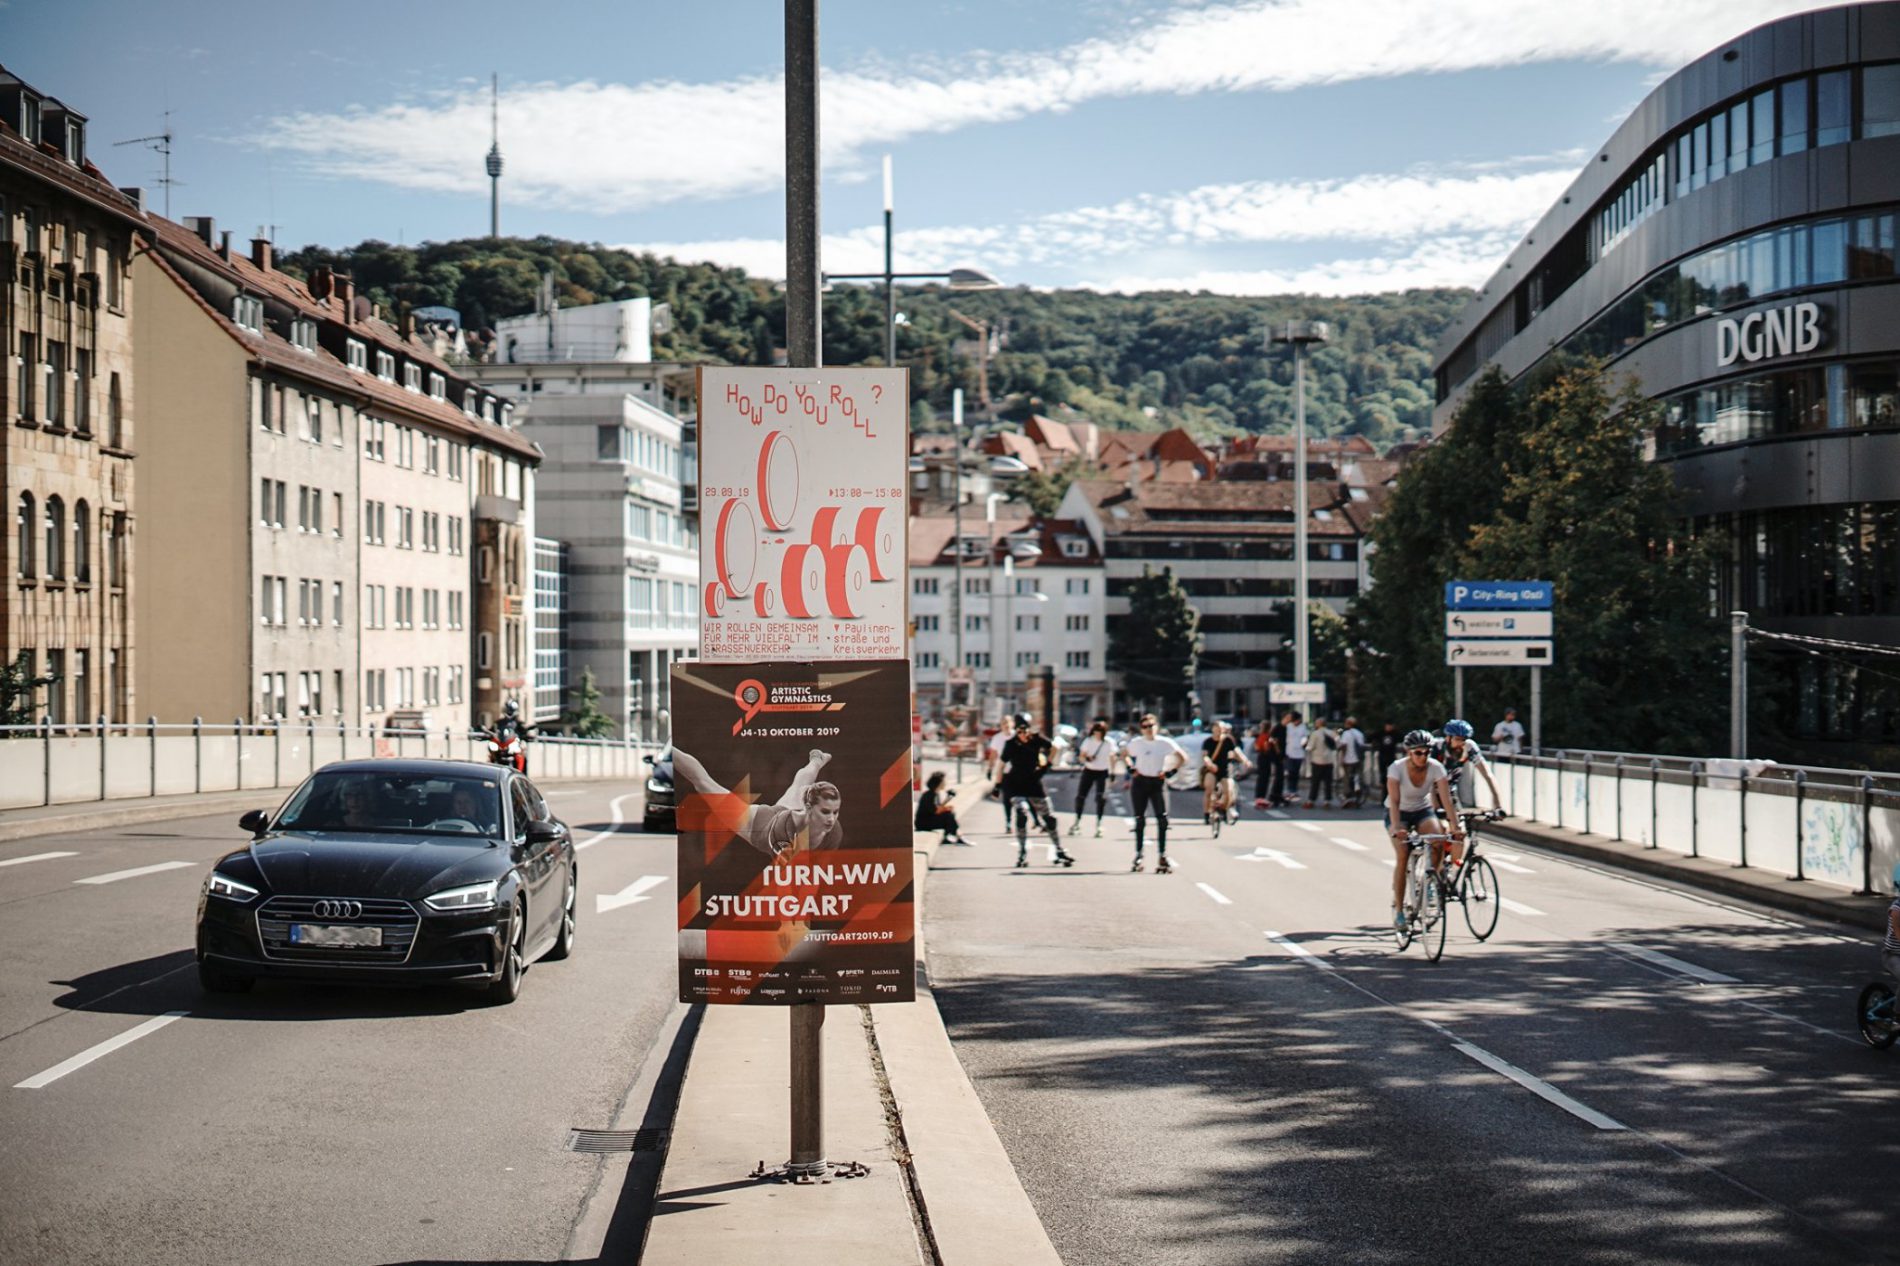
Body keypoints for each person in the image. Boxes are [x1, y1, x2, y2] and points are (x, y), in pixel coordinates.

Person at [672, 746, 843, 855]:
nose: (831, 818)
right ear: (809, 808)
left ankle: (816, 761)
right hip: (757, 824)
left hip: (786, 813)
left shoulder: (834, 831)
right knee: (704, 784)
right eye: (826, 812)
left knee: (800, 783)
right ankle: (669, 750)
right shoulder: (782, 831)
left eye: (835, 812)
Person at [1385, 729, 1464, 932]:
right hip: (1399, 813)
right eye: (1418, 753)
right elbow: (1393, 801)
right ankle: (1401, 912)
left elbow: (1446, 800)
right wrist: (1396, 827)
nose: (1423, 757)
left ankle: (1429, 880)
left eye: (1426, 752)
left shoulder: (1436, 768)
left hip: (1422, 810)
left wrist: (1455, 827)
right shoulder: (1396, 768)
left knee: (1438, 840)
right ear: (1409, 752)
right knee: (1403, 854)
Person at [999, 715, 1074, 868]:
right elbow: (1001, 764)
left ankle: (1059, 849)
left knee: (1050, 818)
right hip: (1016, 784)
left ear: (1028, 731)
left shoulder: (1036, 738)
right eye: (1019, 732)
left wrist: (1047, 765)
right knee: (1021, 815)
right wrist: (997, 784)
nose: (1022, 736)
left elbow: (1055, 747)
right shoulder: (1011, 744)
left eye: (1024, 732)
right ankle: (1022, 852)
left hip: (1034, 782)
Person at [1124, 713, 1186, 873]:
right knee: (1139, 819)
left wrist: (1170, 772)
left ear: (1156, 726)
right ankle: (1139, 854)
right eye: (1145, 727)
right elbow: (1124, 754)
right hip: (1140, 782)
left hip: (1157, 782)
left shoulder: (1164, 743)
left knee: (1163, 819)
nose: (1148, 730)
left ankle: (1162, 854)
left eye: (1151, 726)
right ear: (1141, 729)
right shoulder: (1136, 743)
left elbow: (1183, 757)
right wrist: (1131, 768)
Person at [1434, 719, 1504, 813]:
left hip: (1450, 792)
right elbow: (1428, 781)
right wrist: (1436, 807)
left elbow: (1488, 776)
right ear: (1448, 738)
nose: (1461, 743)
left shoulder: (1469, 747)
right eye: (1457, 739)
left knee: (1459, 825)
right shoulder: (1436, 747)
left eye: (1464, 739)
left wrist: (1498, 806)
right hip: (1428, 793)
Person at [1070, 718, 1119, 838]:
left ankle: (1099, 824)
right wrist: (1087, 759)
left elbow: (1113, 757)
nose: (1098, 733)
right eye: (1096, 731)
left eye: (1100, 731)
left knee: (1101, 798)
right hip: (1089, 770)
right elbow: (1081, 757)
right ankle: (1077, 821)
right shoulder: (1088, 741)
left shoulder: (1109, 742)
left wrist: (1113, 773)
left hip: (1102, 771)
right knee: (1081, 796)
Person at [1203, 720, 1253, 824]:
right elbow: (1205, 756)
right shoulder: (1208, 741)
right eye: (1217, 728)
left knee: (1229, 791)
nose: (1219, 731)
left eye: (1221, 729)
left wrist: (1246, 761)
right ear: (1213, 729)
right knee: (1209, 788)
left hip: (1224, 769)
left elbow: (1237, 752)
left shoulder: (1228, 740)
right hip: (1212, 769)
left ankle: (1224, 809)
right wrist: (1210, 764)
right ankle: (1207, 813)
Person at [915, 771, 968, 846]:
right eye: (944, 781)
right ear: (939, 783)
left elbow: (936, 808)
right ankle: (957, 835)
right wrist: (946, 809)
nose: (945, 783)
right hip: (923, 824)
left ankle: (952, 835)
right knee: (948, 815)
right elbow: (934, 811)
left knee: (949, 814)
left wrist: (946, 807)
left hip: (926, 821)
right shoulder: (930, 795)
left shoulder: (934, 794)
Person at [1304, 717, 1337, 810]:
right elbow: (1337, 745)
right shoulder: (1331, 733)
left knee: (1315, 782)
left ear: (1319, 724)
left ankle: (1311, 800)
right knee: (1328, 782)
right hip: (1329, 761)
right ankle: (1327, 800)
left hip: (1317, 761)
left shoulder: (1315, 734)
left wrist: (1305, 746)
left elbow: (1309, 747)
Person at [1337, 717, 1367, 808]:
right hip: (1359, 759)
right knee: (1358, 777)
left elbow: (1344, 746)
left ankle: (1348, 796)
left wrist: (1342, 758)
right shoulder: (1359, 733)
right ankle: (1358, 795)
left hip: (1349, 759)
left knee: (1347, 778)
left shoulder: (1346, 734)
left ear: (1348, 724)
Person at [1251, 719, 1280, 810]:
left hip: (1261, 757)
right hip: (1265, 758)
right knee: (1265, 778)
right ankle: (1261, 798)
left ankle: (1259, 797)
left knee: (1261, 778)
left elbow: (1256, 747)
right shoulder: (1267, 736)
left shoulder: (1260, 736)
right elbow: (1266, 747)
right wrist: (1273, 746)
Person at [1282, 713, 1309, 806]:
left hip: (1299, 753)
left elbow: (1305, 737)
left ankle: (1294, 790)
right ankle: (1289, 789)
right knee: (1290, 772)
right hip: (1289, 752)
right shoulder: (1288, 726)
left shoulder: (1303, 727)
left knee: (1296, 772)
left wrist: (1304, 743)